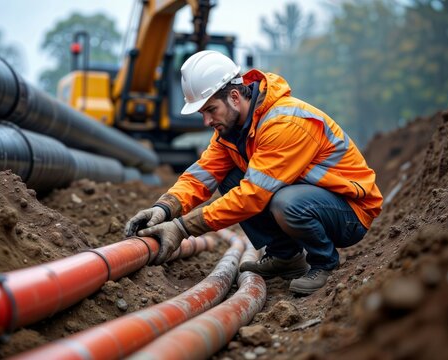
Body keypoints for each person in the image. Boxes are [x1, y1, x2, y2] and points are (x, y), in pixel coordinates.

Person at [125, 50, 383, 295]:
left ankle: (324, 263)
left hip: (350, 211)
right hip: (315, 199)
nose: (206, 121)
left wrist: (183, 228)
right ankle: (286, 257)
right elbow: (202, 175)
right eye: (203, 113)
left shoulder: (284, 123)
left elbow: (253, 195)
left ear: (235, 97)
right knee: (229, 178)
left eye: (210, 109)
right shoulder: (230, 132)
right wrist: (164, 208)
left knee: (286, 203)